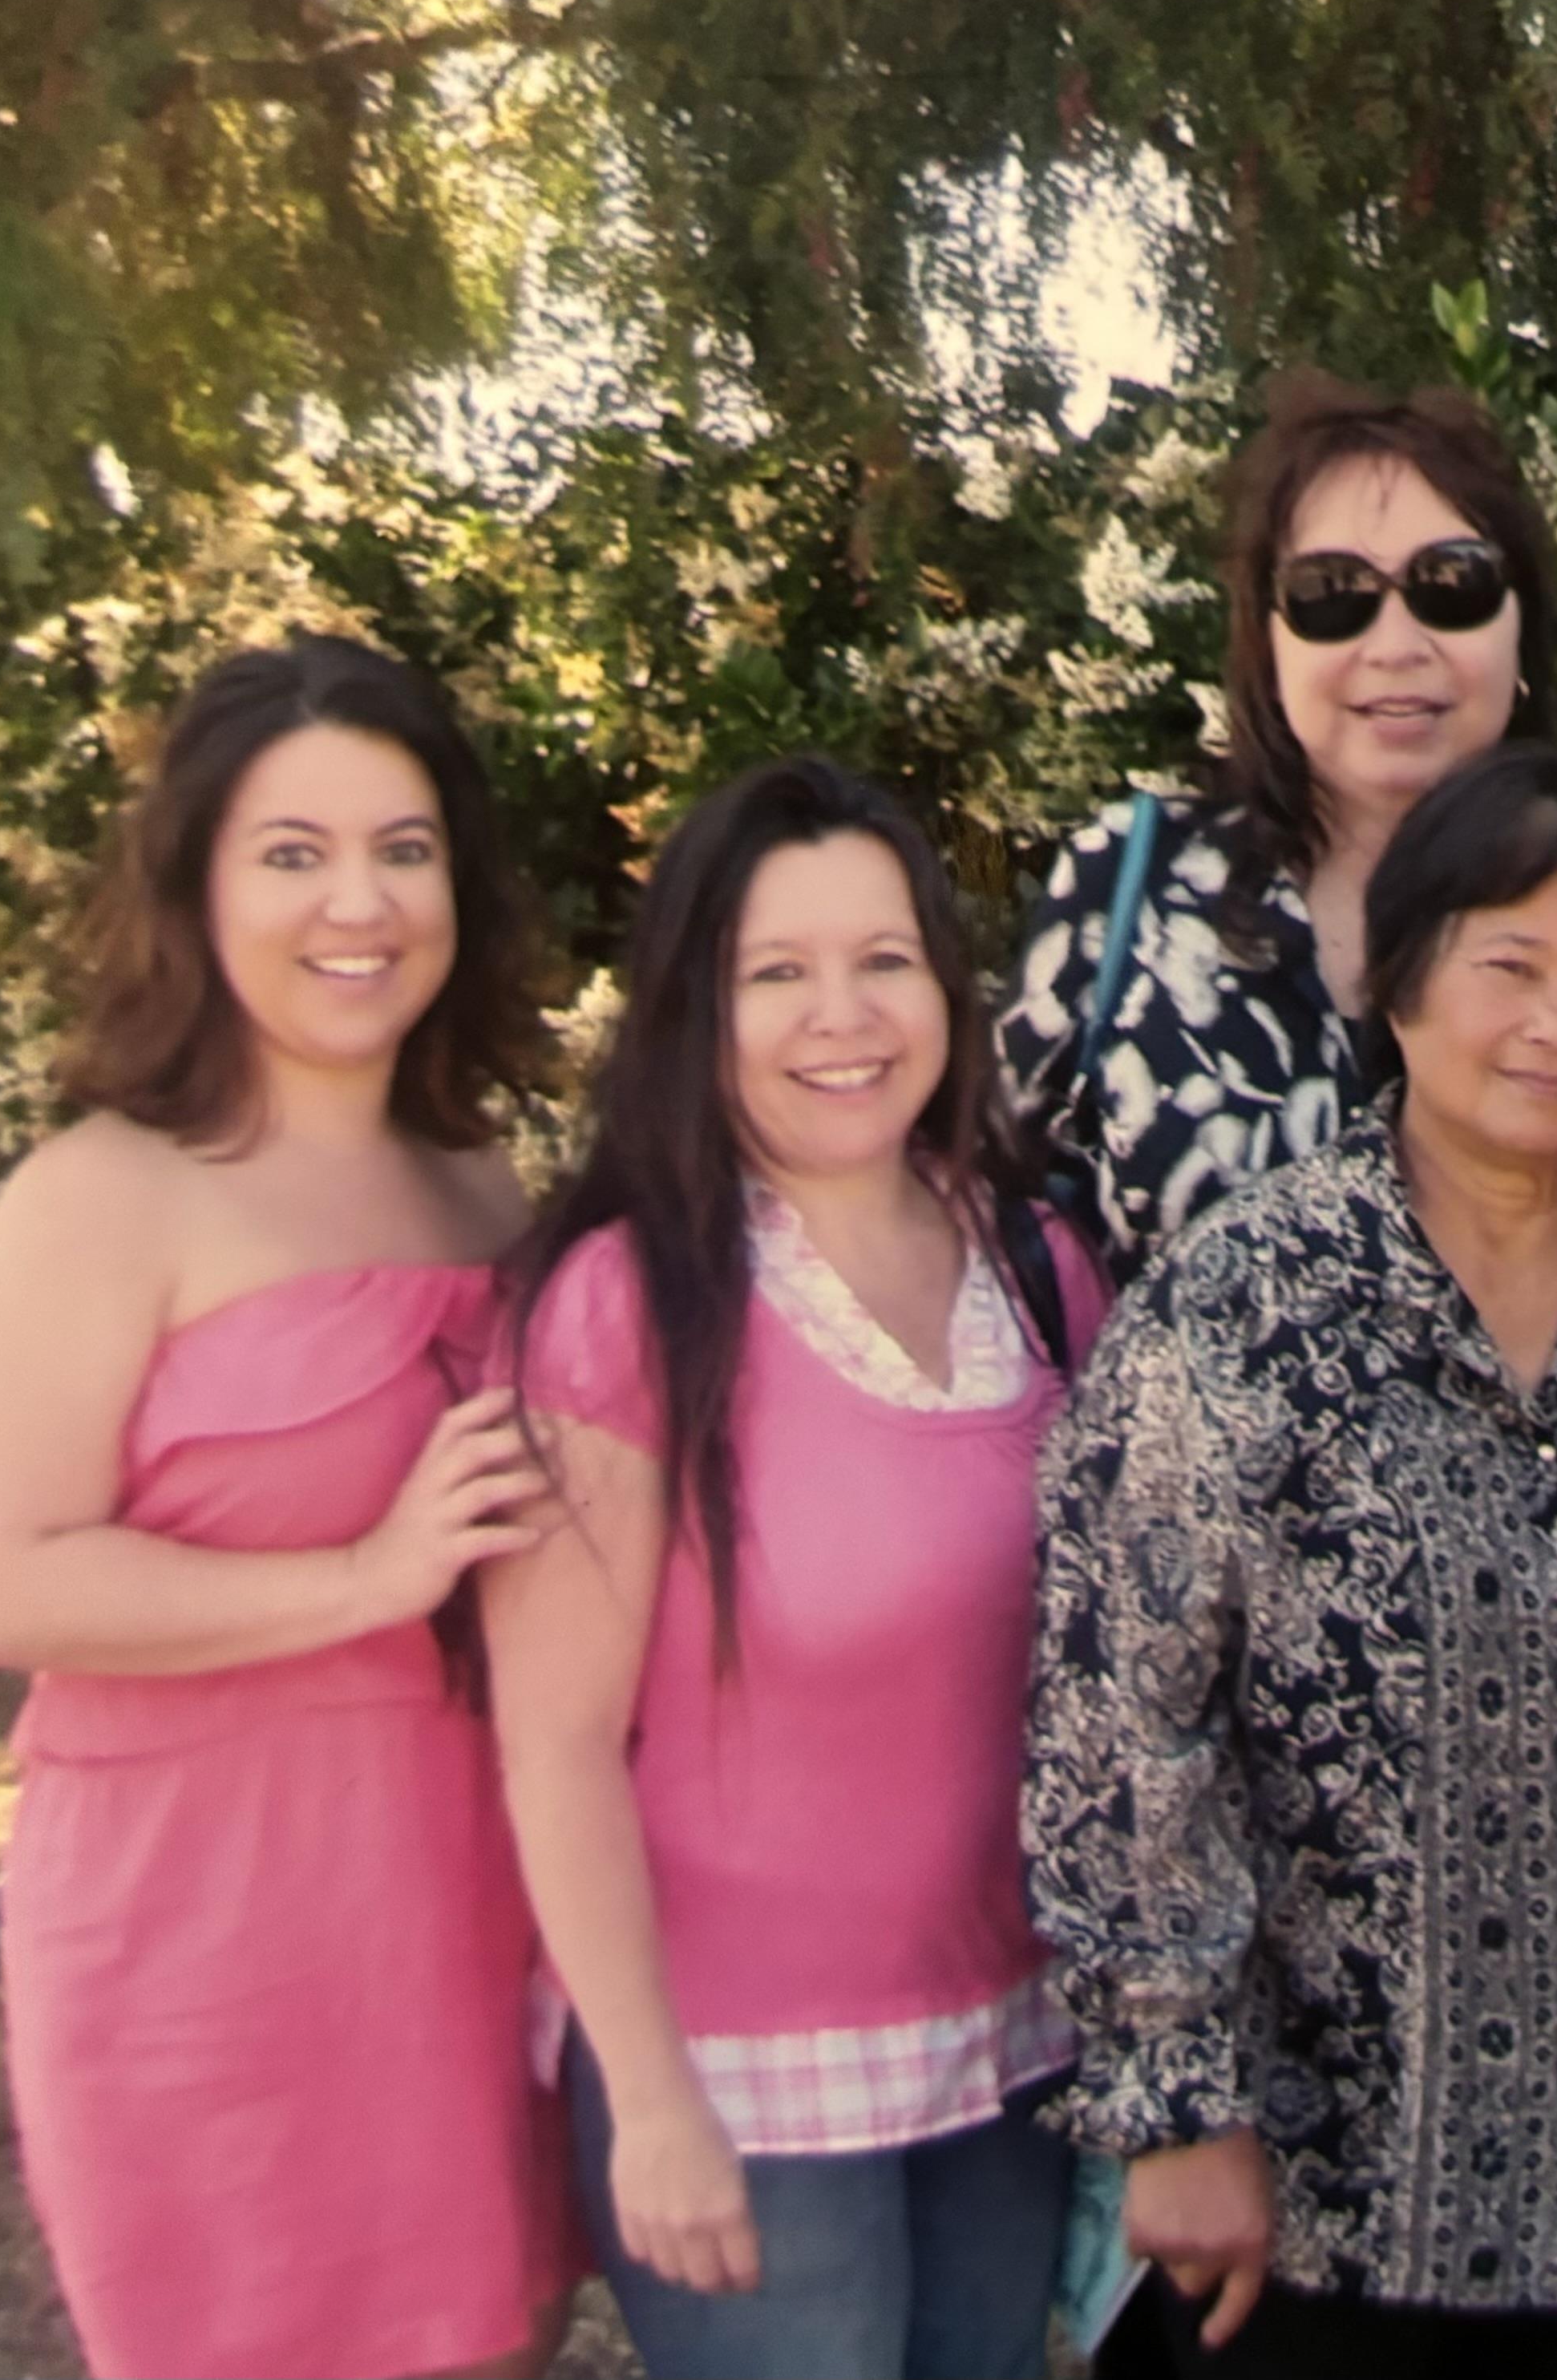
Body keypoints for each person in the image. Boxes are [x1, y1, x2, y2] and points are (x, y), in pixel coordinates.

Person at [0, 636, 571, 2380]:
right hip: (207, 1930)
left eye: (404, 845)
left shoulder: (473, 1173)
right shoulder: (101, 1195)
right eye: (293, 850)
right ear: (198, 881)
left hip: (455, 1897)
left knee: (488, 2334)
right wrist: (366, 1571)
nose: (358, 899)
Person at [1024, 747, 1557, 2380]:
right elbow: (1116, 1721)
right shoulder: (1242, 1309)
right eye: (1511, 965)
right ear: (1401, 984)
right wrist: (1177, 2104)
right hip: (1302, 2216)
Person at [488, 758, 1106, 2380]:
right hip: (740, 2080)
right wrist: (654, 2098)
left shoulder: (1037, 1267)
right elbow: (552, 1742)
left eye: (883, 957)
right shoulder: (628, 1303)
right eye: (778, 971)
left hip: (1013, 2046)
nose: (842, 1013)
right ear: (701, 1007)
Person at [1002, 372, 1557, 1274]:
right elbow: (981, 1224)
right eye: (1331, 592)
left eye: (1451, 582)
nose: (1394, 645)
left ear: (1520, 625)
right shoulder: (1127, 885)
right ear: (1266, 641)